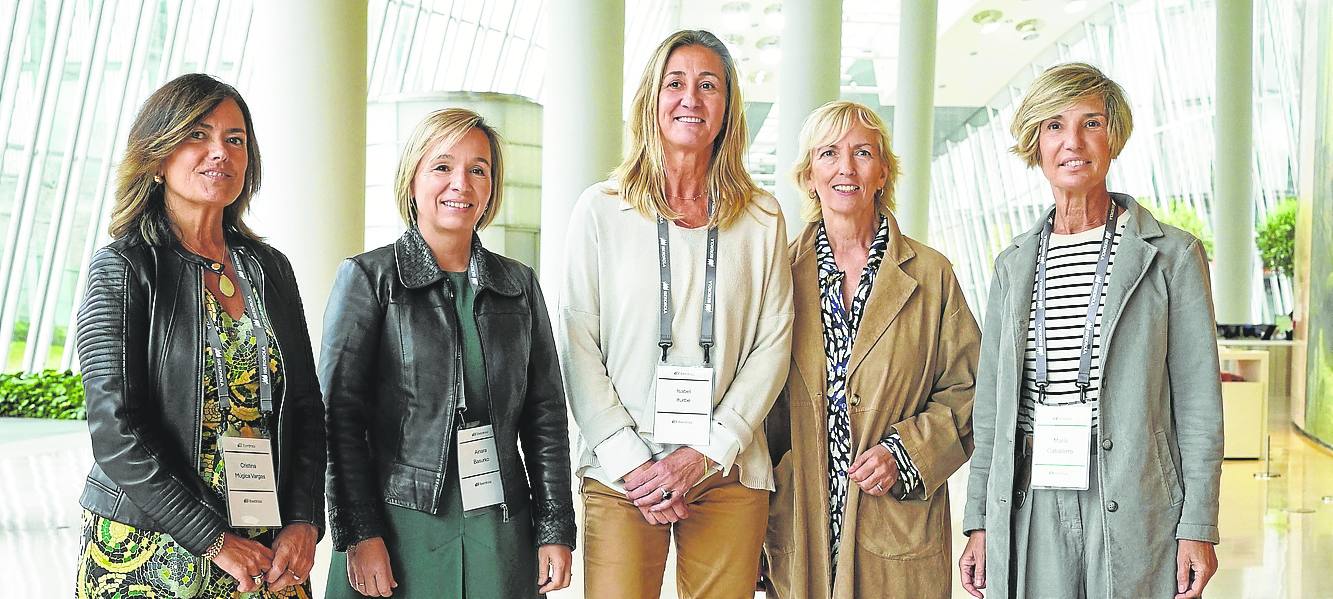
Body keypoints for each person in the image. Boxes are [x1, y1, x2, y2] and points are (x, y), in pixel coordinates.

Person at [957, 63, 1223, 599]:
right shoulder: (1012, 265)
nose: (1072, 142)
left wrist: (1198, 524)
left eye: (1091, 123)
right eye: (1054, 126)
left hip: (1130, 487)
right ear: (1035, 142)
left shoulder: (1170, 257)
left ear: (1114, 137)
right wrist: (980, 519)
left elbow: (1198, 405)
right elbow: (991, 409)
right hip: (1032, 494)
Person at [558, 29, 794, 599]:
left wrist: (708, 449)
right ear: (652, 100)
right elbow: (577, 341)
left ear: (728, 107)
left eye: (708, 85)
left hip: (726, 466)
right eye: (676, 83)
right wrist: (629, 459)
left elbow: (773, 345)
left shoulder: (761, 217)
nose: (691, 98)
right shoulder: (601, 210)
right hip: (623, 473)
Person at [74, 73, 325, 597]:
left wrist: (304, 520)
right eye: (198, 134)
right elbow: (115, 430)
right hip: (149, 543)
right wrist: (212, 539)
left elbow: (304, 406)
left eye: (235, 140)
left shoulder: (270, 269)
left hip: (266, 545)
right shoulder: (123, 268)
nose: (220, 153)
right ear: (158, 154)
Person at [322, 107, 575, 598]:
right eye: (442, 166)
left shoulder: (518, 285)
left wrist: (554, 529)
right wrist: (359, 533)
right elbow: (340, 418)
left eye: (477, 169)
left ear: (491, 186)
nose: (461, 182)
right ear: (412, 178)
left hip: (499, 526)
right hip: (398, 524)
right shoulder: (369, 279)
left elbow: (545, 416)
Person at [762, 100, 979, 598]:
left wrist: (906, 453)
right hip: (802, 516)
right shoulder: (778, 274)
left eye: (862, 152)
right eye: (828, 153)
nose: (845, 167)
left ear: (882, 172)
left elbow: (969, 391)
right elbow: (757, 405)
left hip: (895, 516)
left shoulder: (931, 275)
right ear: (808, 175)